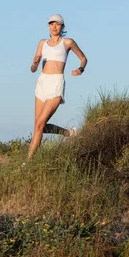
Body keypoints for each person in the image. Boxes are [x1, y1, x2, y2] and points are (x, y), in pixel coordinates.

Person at [28, 14, 87, 160]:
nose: (54, 26)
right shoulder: (42, 43)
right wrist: (35, 63)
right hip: (42, 83)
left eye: (57, 24)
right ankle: (68, 133)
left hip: (56, 83)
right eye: (51, 24)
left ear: (62, 27)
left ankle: (28, 162)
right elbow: (33, 69)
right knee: (39, 126)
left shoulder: (68, 42)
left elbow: (83, 58)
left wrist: (80, 69)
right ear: (48, 26)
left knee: (40, 124)